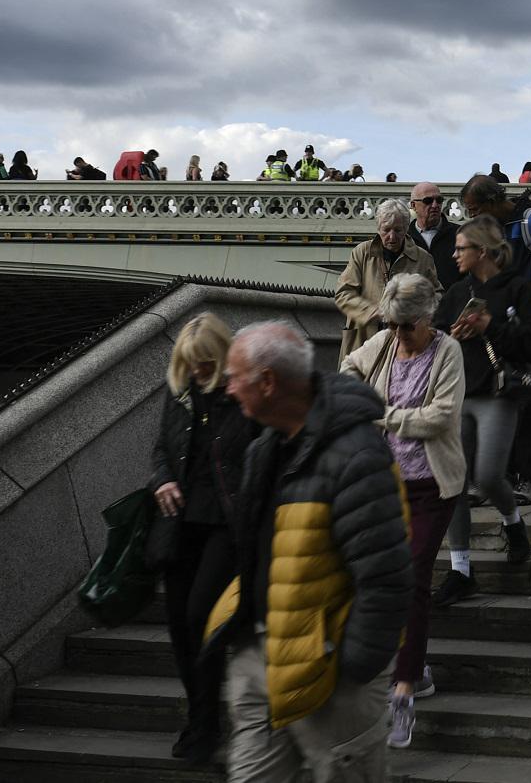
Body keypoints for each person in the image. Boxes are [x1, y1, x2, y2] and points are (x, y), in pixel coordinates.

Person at [211, 322, 413, 782]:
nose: (227, 388)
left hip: (329, 673)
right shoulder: (267, 445)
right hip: (261, 656)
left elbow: (386, 577)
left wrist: (352, 667)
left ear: (268, 383)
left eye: (234, 376)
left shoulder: (357, 454)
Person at [340, 274, 464, 750]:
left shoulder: (446, 351)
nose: (398, 335)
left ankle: (404, 689)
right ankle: (417, 664)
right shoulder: (385, 343)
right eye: (393, 326)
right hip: (386, 483)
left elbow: (440, 417)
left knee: (412, 578)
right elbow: (347, 370)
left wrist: (384, 415)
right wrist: (359, 400)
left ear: (427, 318)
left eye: (406, 327)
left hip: (434, 484)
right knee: (379, 577)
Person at [148, 314, 252, 764]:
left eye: (205, 364)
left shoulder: (240, 396)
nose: (197, 373)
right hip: (179, 524)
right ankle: (200, 718)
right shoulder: (179, 392)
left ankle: (209, 722)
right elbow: (159, 448)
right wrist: (162, 479)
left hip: (225, 526)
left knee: (199, 619)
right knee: (178, 625)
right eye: (191, 364)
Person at [433, 216, 531, 606]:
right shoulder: (455, 292)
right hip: (459, 393)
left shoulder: (518, 287)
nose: (455, 254)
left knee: (486, 476)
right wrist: (450, 335)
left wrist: (490, 326)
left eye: (461, 248)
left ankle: (513, 522)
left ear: (481, 251)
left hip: (499, 394)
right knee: (454, 483)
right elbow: (433, 337)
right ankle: (460, 568)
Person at [460, 175, 531, 506]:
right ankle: (503, 476)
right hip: (500, 330)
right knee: (504, 401)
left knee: (526, 404)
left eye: (474, 210)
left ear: (492, 203)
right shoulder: (492, 233)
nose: (471, 217)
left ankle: (528, 479)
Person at [336, 200, 440, 361]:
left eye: (398, 230)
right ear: (378, 229)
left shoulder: (423, 259)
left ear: (406, 229)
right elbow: (343, 293)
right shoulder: (361, 253)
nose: (392, 237)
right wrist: (372, 311)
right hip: (364, 341)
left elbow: (437, 296)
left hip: (405, 343)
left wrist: (414, 315)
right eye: (386, 230)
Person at [408, 183, 462, 290]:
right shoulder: (404, 238)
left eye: (439, 200)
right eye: (428, 201)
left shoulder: (460, 234)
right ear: (414, 206)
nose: (435, 205)